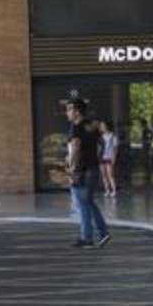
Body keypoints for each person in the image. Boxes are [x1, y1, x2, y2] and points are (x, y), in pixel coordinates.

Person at [66, 99, 110, 249]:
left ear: (77, 112)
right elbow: (102, 145)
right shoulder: (92, 126)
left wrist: (71, 167)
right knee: (88, 202)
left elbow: (76, 148)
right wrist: (96, 160)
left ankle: (87, 238)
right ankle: (103, 232)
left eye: (69, 110)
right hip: (93, 169)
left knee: (83, 203)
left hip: (82, 171)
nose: (67, 113)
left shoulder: (76, 127)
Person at [100, 120, 118, 197]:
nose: (101, 127)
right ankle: (107, 190)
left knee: (110, 174)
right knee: (103, 174)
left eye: (103, 125)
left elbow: (115, 148)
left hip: (109, 157)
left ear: (107, 126)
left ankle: (114, 190)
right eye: (101, 126)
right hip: (102, 157)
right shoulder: (101, 137)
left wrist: (114, 158)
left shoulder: (113, 136)